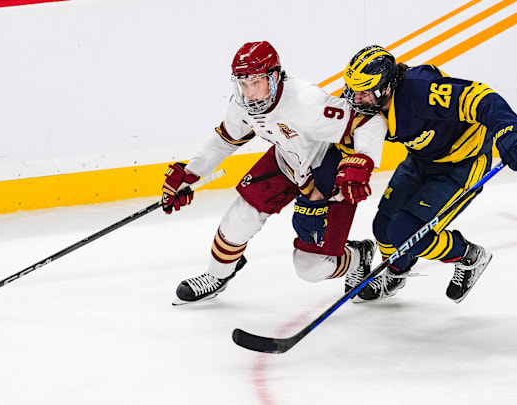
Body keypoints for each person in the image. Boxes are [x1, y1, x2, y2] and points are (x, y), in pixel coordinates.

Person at [161, 41, 388, 304]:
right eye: (243, 84)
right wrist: (190, 174)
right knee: (239, 220)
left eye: (256, 82)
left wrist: (362, 160)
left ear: (275, 77)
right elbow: (225, 140)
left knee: (311, 267)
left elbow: (368, 120)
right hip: (286, 162)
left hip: (327, 172)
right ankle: (217, 276)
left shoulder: (305, 100)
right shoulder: (242, 104)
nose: (249, 93)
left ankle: (359, 256)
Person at [341, 45, 517, 303]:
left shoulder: (421, 90)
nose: (356, 97)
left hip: (462, 165)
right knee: (384, 228)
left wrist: (509, 130)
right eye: (353, 89)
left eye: (364, 90)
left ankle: (469, 256)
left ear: (386, 86)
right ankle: (396, 272)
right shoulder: (370, 107)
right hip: (420, 161)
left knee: (405, 232)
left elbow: (479, 97)